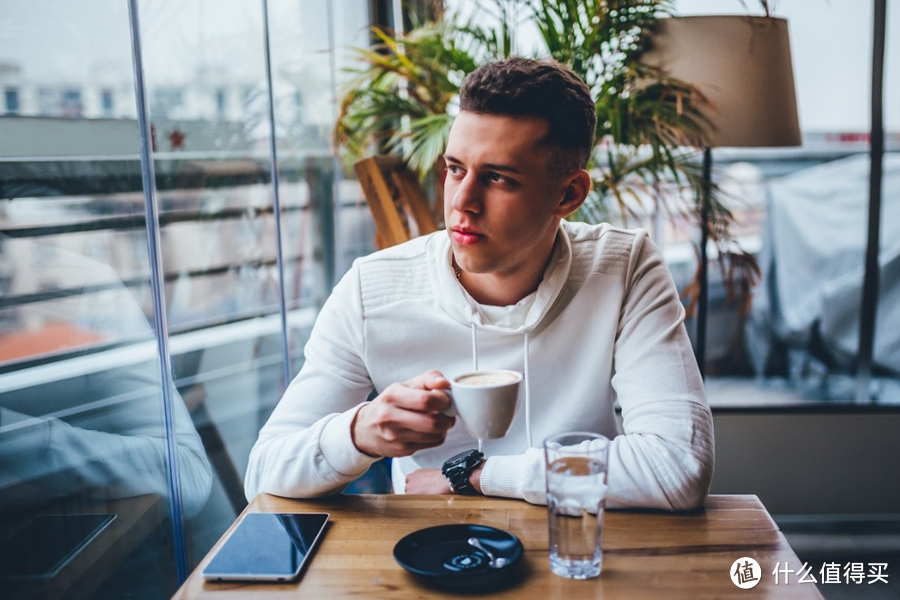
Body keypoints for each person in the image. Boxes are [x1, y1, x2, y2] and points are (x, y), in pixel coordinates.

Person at [244, 57, 714, 510]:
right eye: (455, 169)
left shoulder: (624, 267)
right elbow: (263, 474)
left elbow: (677, 466)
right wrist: (359, 433)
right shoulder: (372, 289)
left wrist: (471, 477)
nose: (462, 203)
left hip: (577, 549)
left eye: (498, 178)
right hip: (430, 558)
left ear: (568, 194)